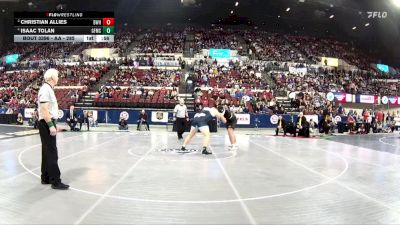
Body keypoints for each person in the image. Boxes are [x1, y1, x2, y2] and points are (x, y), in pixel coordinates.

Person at [37, 68, 69, 190]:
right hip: (46, 123)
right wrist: (51, 125)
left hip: (46, 122)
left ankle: (45, 177)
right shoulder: (46, 89)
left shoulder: (47, 88)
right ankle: (56, 181)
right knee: (52, 153)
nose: (58, 78)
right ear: (51, 77)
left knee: (46, 152)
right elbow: (44, 109)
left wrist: (53, 124)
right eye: (57, 76)